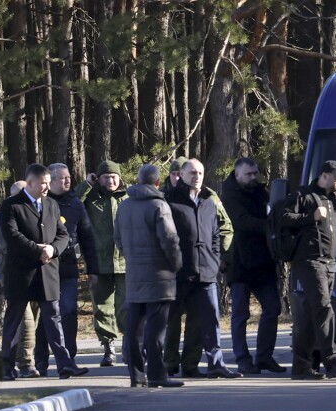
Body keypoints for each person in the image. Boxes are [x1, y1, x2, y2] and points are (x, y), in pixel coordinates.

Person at [0, 163, 89, 381]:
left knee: (53, 319)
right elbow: (12, 236)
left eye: (49, 183)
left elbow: (63, 234)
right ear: (29, 183)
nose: (47, 188)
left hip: (48, 272)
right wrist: (36, 250)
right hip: (22, 274)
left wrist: (52, 249)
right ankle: (6, 367)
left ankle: (65, 364)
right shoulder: (11, 206)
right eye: (43, 183)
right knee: (14, 321)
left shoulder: (51, 205)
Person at [281, 160, 336, 380]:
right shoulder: (303, 196)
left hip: (329, 262)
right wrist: (311, 217)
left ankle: (301, 366)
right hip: (309, 261)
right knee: (324, 309)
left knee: (308, 315)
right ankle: (332, 361)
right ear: (324, 176)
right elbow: (284, 217)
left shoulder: (335, 198)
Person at [166, 158, 242, 379]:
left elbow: (217, 232)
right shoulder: (170, 200)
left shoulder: (209, 199)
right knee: (170, 320)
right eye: (192, 172)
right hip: (178, 272)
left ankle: (207, 364)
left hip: (206, 271)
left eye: (200, 172)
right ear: (181, 174)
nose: (197, 176)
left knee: (208, 320)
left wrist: (215, 257)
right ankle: (166, 363)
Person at [114, 164, 184, 388]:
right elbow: (170, 240)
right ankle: (157, 374)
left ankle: (136, 375)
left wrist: (132, 258)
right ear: (157, 182)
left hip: (134, 274)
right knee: (155, 328)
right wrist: (176, 264)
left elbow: (118, 240)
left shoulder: (124, 206)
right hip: (159, 275)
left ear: (137, 179)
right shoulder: (159, 205)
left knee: (134, 328)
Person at [33, 163, 100, 374]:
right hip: (43, 269)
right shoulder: (40, 204)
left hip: (68, 268)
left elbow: (88, 237)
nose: (68, 181)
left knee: (69, 312)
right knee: (47, 316)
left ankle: (69, 360)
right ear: (50, 182)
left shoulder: (75, 203)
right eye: (62, 178)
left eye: (69, 177)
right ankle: (41, 361)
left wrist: (93, 269)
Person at [220, 157, 285, 375]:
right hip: (240, 263)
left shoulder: (260, 191)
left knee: (273, 308)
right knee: (240, 314)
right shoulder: (229, 194)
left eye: (255, 173)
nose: (253, 177)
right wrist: (270, 226)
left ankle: (264, 356)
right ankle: (242, 359)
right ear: (237, 174)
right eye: (249, 174)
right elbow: (242, 222)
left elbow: (274, 211)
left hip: (263, 261)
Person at [76, 160, 128, 366]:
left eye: (114, 176)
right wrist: (87, 185)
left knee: (126, 306)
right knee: (102, 307)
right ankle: (108, 347)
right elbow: (72, 202)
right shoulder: (91, 197)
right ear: (99, 178)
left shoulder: (128, 196)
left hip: (125, 262)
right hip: (99, 262)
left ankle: (128, 344)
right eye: (106, 177)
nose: (111, 180)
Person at [0, 180, 40, 378]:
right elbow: (7, 245)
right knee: (25, 321)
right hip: (15, 275)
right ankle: (25, 364)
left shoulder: (36, 211)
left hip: (36, 273)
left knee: (35, 320)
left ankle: (21, 361)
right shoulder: (5, 215)